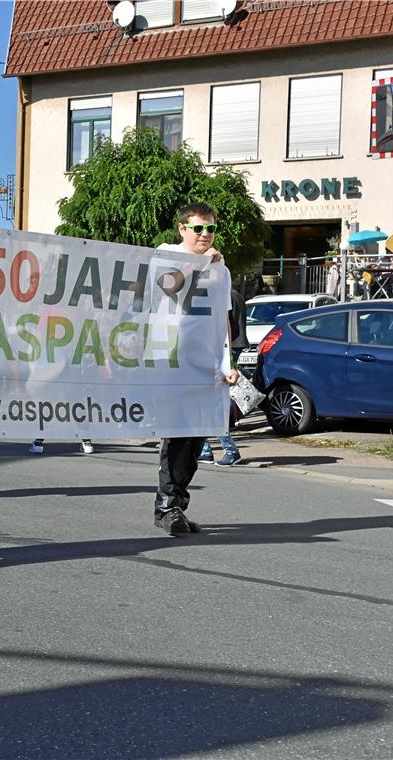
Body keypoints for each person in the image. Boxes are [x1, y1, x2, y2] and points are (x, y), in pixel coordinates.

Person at [153, 202, 240, 536]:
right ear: (183, 229)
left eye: (211, 228)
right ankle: (167, 508)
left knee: (195, 440)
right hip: (173, 361)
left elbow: (223, 320)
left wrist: (227, 363)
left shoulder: (222, 269)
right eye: (199, 228)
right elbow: (167, 286)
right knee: (177, 434)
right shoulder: (167, 253)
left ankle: (174, 504)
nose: (206, 235)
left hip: (206, 365)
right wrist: (200, 263)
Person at [199, 282, 247, 466]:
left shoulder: (221, 301)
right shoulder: (234, 296)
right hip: (218, 355)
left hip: (219, 355)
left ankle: (229, 450)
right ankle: (205, 450)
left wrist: (228, 364)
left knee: (211, 405)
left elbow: (225, 330)